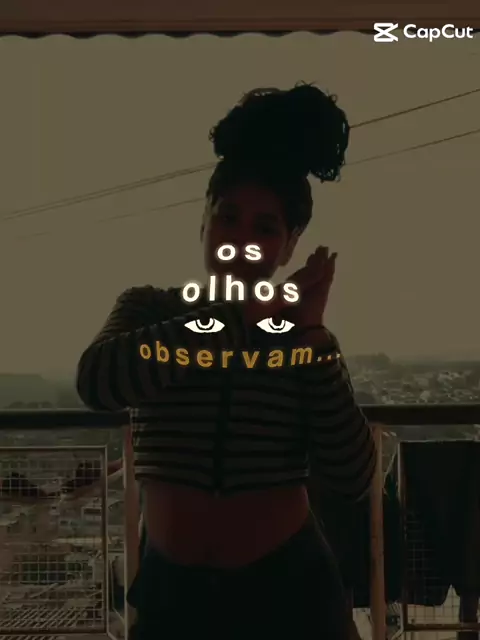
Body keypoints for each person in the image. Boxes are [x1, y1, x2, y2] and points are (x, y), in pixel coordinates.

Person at [76, 83, 376, 640]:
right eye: (228, 217)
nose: (241, 240)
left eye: (264, 228)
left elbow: (353, 474)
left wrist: (311, 334)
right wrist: (240, 316)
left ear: (290, 246)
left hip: (293, 595)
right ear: (203, 221)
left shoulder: (300, 341)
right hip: (175, 599)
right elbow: (99, 381)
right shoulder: (149, 309)